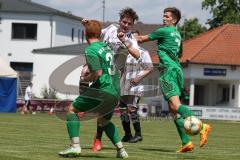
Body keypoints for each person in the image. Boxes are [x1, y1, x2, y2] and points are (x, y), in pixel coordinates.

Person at [135, 7, 211, 153]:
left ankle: (202, 127)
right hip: (176, 70)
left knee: (175, 106)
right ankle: (186, 142)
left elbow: (141, 39)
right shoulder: (177, 34)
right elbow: (180, 53)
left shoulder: (164, 31)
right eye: (163, 16)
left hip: (168, 72)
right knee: (173, 110)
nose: (164, 18)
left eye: (167, 16)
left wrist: (124, 37)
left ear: (174, 20)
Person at [58, 20, 128, 158]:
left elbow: (97, 74)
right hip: (115, 91)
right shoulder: (105, 47)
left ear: (85, 34)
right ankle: (121, 151)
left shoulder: (90, 49)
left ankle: (75, 147)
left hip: (103, 89)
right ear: (100, 34)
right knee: (104, 121)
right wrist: (88, 25)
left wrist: (84, 78)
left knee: (72, 110)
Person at [91, 7, 142, 152]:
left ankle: (98, 139)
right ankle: (96, 135)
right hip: (100, 71)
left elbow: (137, 54)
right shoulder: (111, 29)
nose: (126, 25)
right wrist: (88, 25)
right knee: (100, 107)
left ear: (132, 25)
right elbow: (94, 33)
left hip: (115, 77)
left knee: (105, 110)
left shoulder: (131, 38)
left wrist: (124, 41)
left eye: (129, 23)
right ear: (120, 21)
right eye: (124, 21)